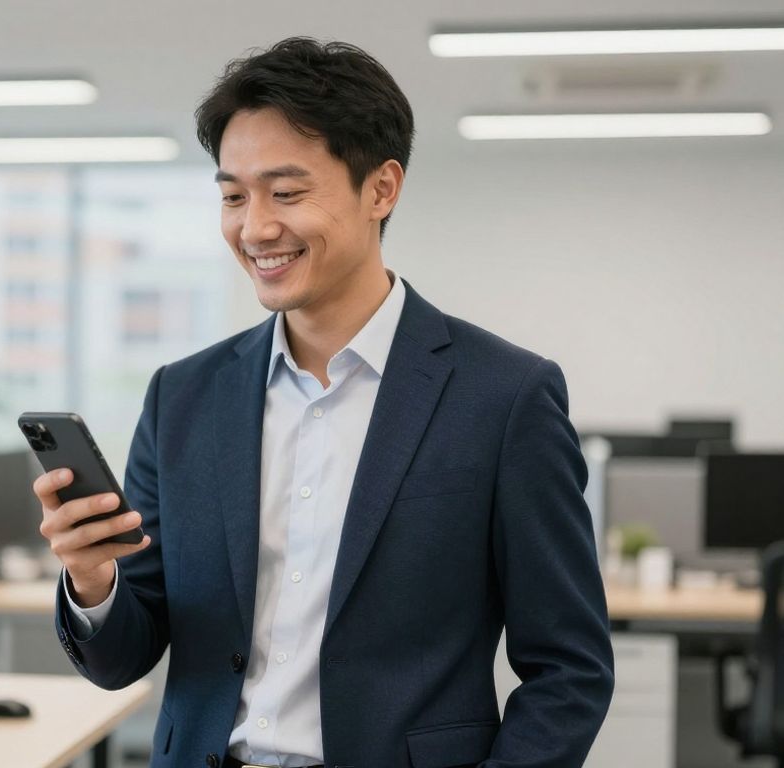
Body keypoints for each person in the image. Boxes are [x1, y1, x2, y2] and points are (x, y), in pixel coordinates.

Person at [33, 37, 613, 768]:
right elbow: (124, 657)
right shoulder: (183, 396)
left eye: (287, 192)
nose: (255, 228)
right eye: (234, 196)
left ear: (382, 188)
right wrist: (93, 580)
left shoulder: (504, 397)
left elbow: (570, 669)